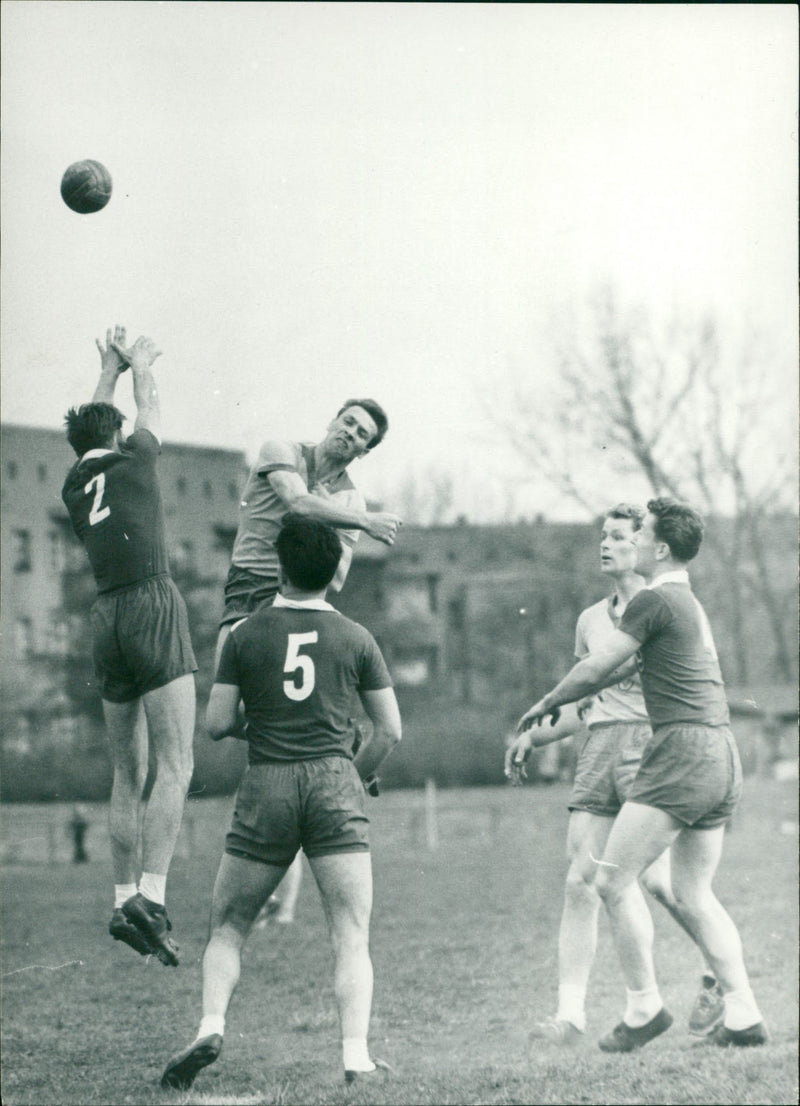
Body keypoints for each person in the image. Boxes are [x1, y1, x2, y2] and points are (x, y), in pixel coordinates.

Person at [515, 498, 766, 1051]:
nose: (632, 542)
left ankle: (644, 1006)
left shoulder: (652, 600)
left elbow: (597, 669)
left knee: (609, 879)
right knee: (692, 891)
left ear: (660, 548)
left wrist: (540, 707)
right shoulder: (687, 603)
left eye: (642, 534)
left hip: (680, 751)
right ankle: (744, 1013)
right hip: (722, 751)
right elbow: (625, 669)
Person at [161, 516, 402, 1091]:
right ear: (334, 570)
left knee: (228, 925)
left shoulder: (245, 634)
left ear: (280, 565)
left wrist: (268, 723)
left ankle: (211, 1026)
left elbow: (218, 724)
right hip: (333, 786)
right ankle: (355, 1057)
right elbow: (389, 731)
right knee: (350, 933)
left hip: (268, 780)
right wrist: (352, 773)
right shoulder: (357, 637)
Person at [62, 327, 196, 967]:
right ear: (116, 438)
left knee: (127, 769)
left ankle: (122, 899)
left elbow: (92, 431)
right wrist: (139, 366)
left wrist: (105, 375)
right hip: (151, 601)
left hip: (106, 615)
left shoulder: (72, 486)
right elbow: (150, 410)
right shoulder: (136, 461)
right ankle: (153, 895)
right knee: (176, 762)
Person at [215, 399, 401, 669]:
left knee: (283, 698)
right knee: (229, 684)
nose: (350, 432)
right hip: (251, 582)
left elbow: (335, 580)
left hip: (300, 596)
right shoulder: (281, 451)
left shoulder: (350, 501)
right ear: (332, 423)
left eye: (362, 434)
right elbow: (297, 501)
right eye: (348, 422)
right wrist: (364, 521)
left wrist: (332, 523)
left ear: (364, 452)